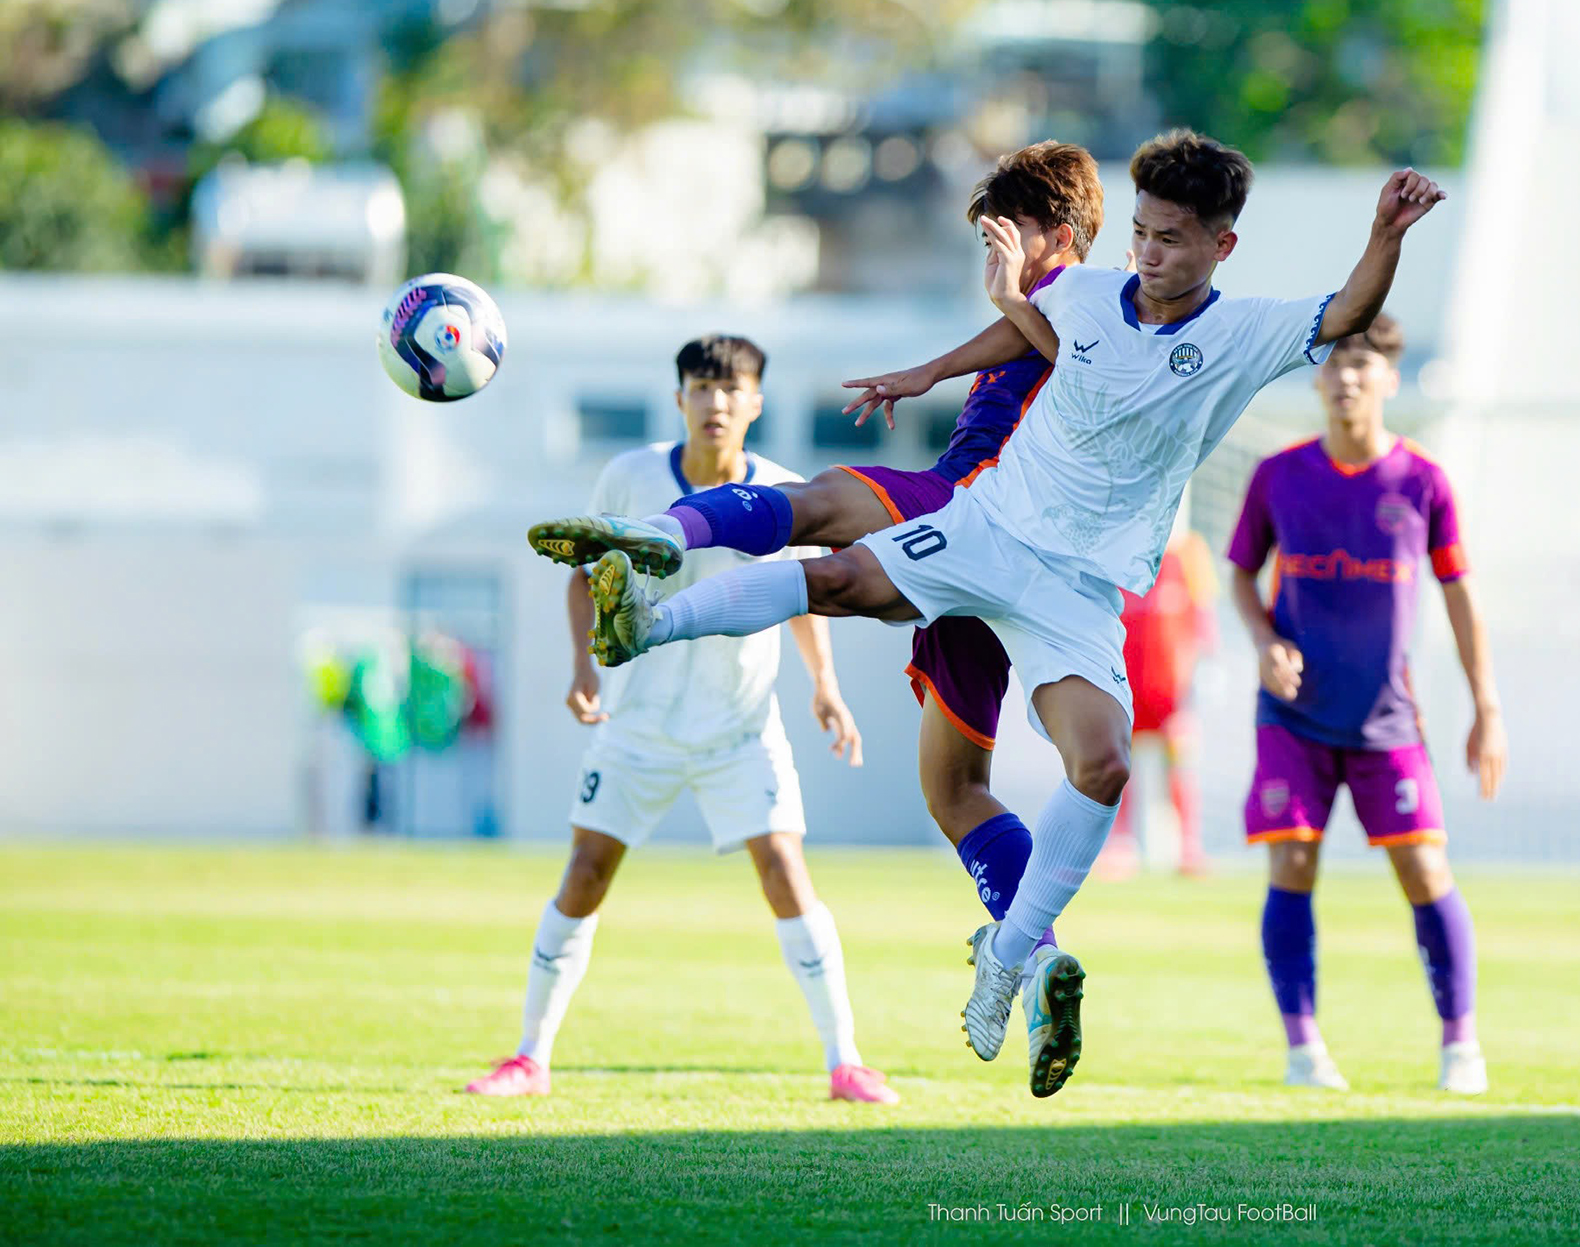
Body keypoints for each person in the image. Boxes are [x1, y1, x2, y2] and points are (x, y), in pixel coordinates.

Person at [543, 130, 1446, 1099]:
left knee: (1099, 761)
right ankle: (650, 619)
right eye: (1140, 232)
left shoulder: (1244, 330)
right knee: (840, 573)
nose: (1147, 252)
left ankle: (1010, 954)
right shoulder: (1090, 291)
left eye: (1173, 238)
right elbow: (1026, 323)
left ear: (1220, 247)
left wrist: (1386, 231)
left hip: (1080, 587)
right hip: (990, 523)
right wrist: (949, 351)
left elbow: (1349, 307)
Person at [524, 141, 1103, 998]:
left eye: (1003, 235)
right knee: (954, 792)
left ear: (1058, 233)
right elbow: (1052, 352)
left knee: (822, 507)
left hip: (966, 505)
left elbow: (1074, 354)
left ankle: (663, 543)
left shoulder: (1079, 294)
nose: (994, 255)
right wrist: (940, 364)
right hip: (1010, 572)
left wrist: (1000, 303)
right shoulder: (1061, 302)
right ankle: (1041, 956)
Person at [467, 334, 896, 1105]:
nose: (716, 402)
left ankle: (846, 1061)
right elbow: (584, 572)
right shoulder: (630, 477)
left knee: (787, 876)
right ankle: (529, 1058)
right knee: (585, 876)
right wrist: (581, 666)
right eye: (701, 388)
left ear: (756, 403)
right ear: (679, 401)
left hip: (740, 728)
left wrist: (826, 685)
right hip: (637, 730)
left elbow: (805, 592)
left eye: (732, 389)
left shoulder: (784, 491)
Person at [1226, 314, 1507, 1095]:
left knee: (1424, 867)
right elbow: (1241, 575)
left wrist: (1487, 705)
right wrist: (1262, 640)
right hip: (1293, 716)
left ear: (1389, 380)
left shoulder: (1422, 482)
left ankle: (1461, 1047)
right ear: (1318, 380)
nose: (1346, 377)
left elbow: (1461, 599)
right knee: (1293, 859)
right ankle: (1303, 1051)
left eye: (1363, 364)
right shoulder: (1279, 475)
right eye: (1334, 365)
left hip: (1386, 720)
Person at [1101, 521, 1219, 878]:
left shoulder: (1188, 552)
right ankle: (1120, 845)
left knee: (1180, 765)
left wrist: (1208, 668)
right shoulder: (1116, 550)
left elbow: (1203, 615)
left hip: (1172, 689)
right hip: (1126, 682)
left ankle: (1189, 849)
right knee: (1117, 765)